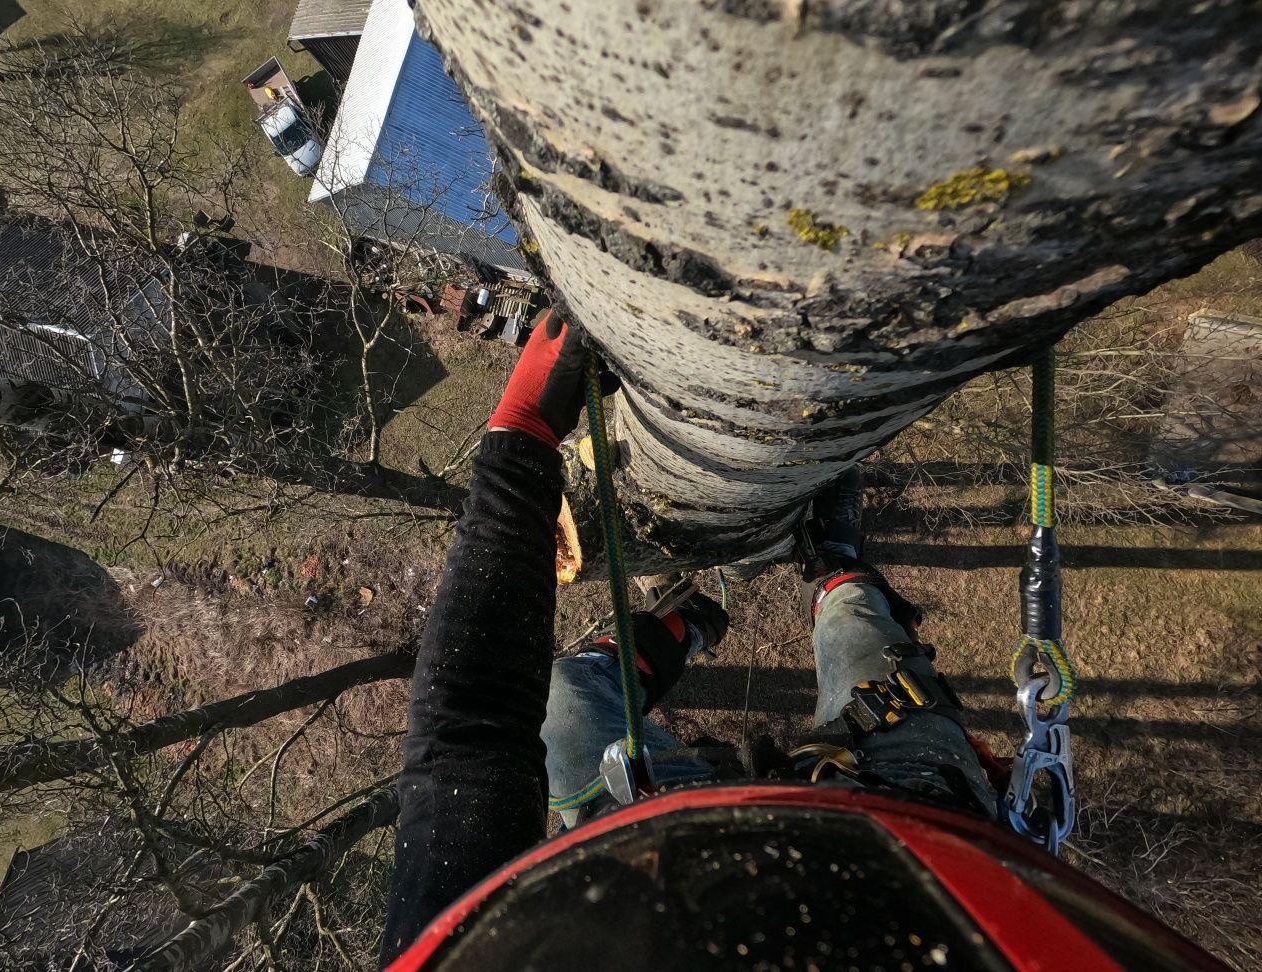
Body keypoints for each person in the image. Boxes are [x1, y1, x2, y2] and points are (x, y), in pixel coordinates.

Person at [378, 314, 1224, 971]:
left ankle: (689, 623)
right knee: (858, 630)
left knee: (567, 703)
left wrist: (520, 444)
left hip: (639, 828)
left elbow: (466, 741)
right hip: (914, 807)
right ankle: (836, 568)